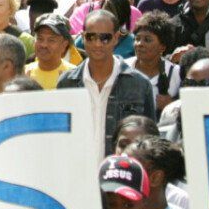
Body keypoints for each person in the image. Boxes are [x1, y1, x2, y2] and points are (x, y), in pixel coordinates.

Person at [62, 10, 160, 156]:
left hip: (121, 173)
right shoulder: (67, 83)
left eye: (105, 38)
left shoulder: (139, 85)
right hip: (77, 172)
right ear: (82, 37)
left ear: (116, 38)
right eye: (91, 37)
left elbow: (150, 141)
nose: (97, 44)